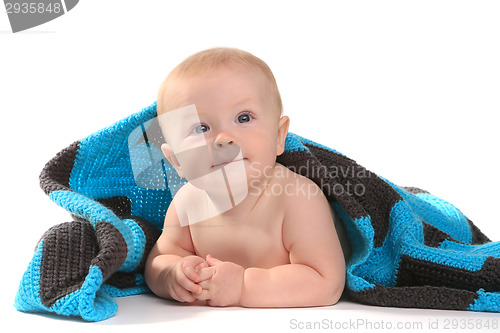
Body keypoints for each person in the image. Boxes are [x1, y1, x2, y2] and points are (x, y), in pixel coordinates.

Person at [144, 47, 346, 307]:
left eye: (243, 117)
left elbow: (326, 281)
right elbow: (161, 257)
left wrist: (243, 286)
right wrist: (173, 275)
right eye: (201, 127)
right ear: (176, 162)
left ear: (277, 136)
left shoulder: (297, 199)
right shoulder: (186, 203)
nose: (224, 138)